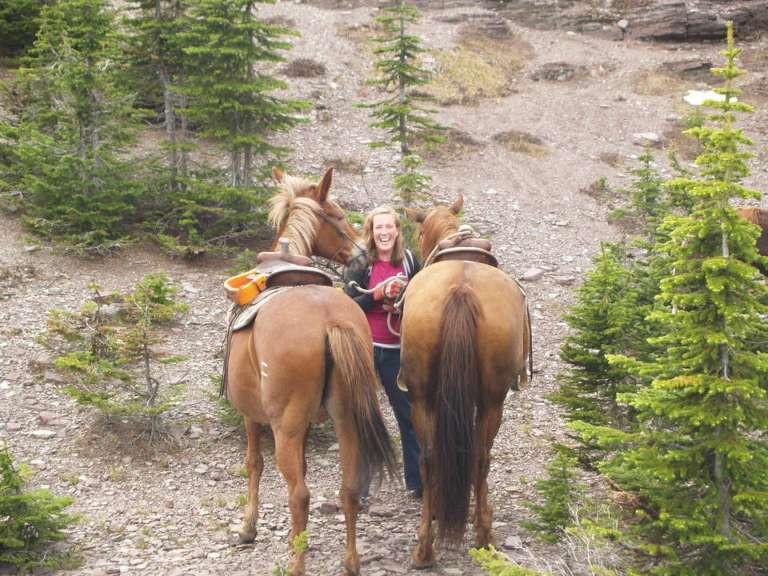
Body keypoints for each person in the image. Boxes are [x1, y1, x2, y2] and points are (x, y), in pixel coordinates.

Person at [344, 205, 422, 499]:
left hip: (397, 350)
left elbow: (423, 297)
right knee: (362, 415)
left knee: (408, 414)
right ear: (371, 232)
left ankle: (417, 483)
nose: (384, 233)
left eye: (389, 227)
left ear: (398, 231)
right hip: (364, 349)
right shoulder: (360, 263)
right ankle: (359, 488)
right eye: (379, 228)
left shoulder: (411, 261)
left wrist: (400, 303)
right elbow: (349, 305)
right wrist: (376, 296)